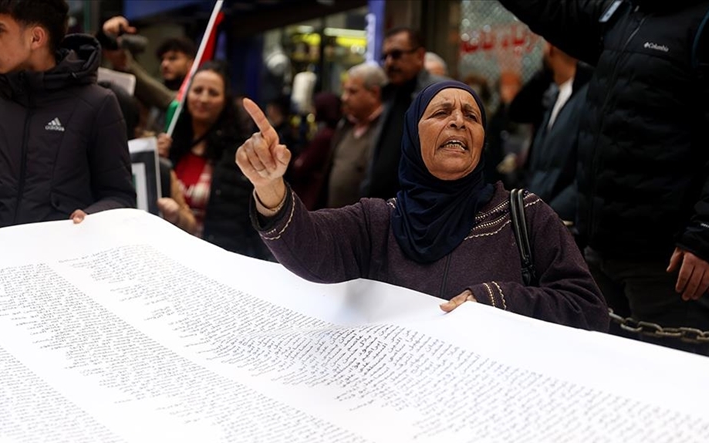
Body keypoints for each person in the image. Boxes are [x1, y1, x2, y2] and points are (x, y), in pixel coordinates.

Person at [234, 80, 609, 329]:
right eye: (442, 113)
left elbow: (587, 309)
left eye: (472, 116)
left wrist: (496, 300)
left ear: (483, 138)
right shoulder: (377, 221)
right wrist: (270, 187)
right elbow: (310, 250)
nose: (459, 122)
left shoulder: (524, 216)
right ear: (413, 135)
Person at [499, 0, 709, 355]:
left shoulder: (705, 21)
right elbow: (555, 12)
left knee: (666, 390)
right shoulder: (620, 13)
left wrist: (707, 236)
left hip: (668, 262)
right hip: (601, 250)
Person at [0, 0, 136, 240]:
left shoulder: (98, 104)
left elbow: (119, 196)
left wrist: (91, 218)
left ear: (36, 38)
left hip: (67, 264)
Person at [156, 60, 268, 259]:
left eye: (213, 93)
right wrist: (157, 162)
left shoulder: (240, 153)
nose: (204, 98)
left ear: (225, 100)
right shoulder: (170, 144)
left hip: (215, 259)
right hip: (166, 253)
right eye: (197, 90)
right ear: (187, 94)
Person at [364, 27, 446, 201]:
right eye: (384, 57)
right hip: (382, 207)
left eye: (396, 54)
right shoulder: (391, 93)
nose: (389, 63)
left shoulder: (439, 93)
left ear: (419, 56)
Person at [523, 43, 593, 224]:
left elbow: (587, 171)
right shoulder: (556, 95)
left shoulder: (588, 98)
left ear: (551, 48)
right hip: (538, 214)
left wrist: (553, 214)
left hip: (559, 221)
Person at [97, 16, 196, 131]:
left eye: (173, 59)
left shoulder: (193, 94)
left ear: (190, 63)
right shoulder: (154, 92)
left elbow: (168, 99)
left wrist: (126, 63)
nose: (165, 64)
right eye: (162, 59)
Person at [323, 63, 386, 209]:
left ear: (374, 93)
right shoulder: (345, 126)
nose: (344, 98)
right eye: (344, 91)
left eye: (352, 92)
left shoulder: (384, 131)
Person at [285, 91, 341, 210]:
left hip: (311, 195)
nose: (312, 111)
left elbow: (302, 166)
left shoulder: (325, 136)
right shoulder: (332, 131)